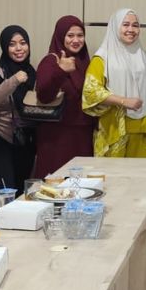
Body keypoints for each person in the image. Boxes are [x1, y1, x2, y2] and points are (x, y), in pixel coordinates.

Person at [82, 9, 146, 158]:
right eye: (125, 24)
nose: (131, 29)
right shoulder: (102, 58)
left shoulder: (144, 57)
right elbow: (90, 92)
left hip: (141, 125)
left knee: (140, 171)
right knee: (113, 171)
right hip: (114, 126)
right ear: (115, 27)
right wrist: (123, 101)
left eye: (135, 25)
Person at [33, 16, 95, 176]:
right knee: (57, 185)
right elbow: (44, 95)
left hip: (83, 136)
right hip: (57, 138)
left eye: (80, 35)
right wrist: (60, 71)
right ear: (60, 36)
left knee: (81, 184)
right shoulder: (50, 61)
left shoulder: (86, 62)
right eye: (70, 35)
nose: (76, 40)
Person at [0, 25, 37, 192]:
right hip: (0, 139)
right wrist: (13, 81)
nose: (19, 48)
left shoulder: (32, 73)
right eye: (12, 44)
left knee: (22, 193)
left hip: (26, 141)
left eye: (23, 43)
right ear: (5, 47)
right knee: (5, 193)